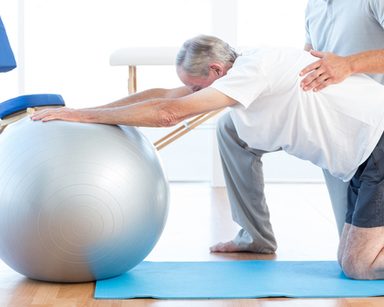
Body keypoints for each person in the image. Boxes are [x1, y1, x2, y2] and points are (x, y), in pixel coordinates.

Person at [32, 35, 384, 279]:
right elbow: (166, 95)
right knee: (349, 261)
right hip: (362, 160)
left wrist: (86, 119)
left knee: (359, 266)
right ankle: (258, 239)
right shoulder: (242, 66)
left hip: (378, 143)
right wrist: (83, 110)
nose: (195, 95)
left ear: (216, 70)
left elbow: (169, 112)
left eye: (198, 88)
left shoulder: (253, 70)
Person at [210, 0, 384, 255]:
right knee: (231, 126)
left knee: (362, 257)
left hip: (371, 124)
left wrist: (348, 64)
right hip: (330, 120)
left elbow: (340, 64)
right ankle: (254, 236)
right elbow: (306, 59)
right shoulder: (314, 7)